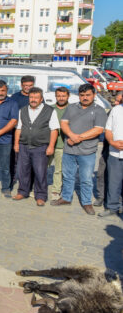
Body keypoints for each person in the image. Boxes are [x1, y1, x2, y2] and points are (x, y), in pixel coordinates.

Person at [53, 84, 107, 215]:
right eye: (82, 95)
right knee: (67, 176)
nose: (85, 97)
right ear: (79, 95)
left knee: (86, 179)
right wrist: (72, 136)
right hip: (69, 150)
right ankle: (66, 198)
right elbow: (63, 123)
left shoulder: (99, 110)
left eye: (88, 95)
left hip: (87, 152)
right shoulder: (71, 107)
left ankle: (86, 202)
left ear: (94, 95)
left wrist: (78, 138)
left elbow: (98, 130)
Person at [12, 87, 59, 206]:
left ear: (41, 98)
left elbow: (54, 130)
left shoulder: (49, 111)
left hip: (40, 146)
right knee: (23, 171)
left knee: (40, 172)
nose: (33, 99)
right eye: (31, 97)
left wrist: (51, 146)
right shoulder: (22, 110)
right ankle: (22, 191)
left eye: (36, 97)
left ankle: (41, 195)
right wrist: (16, 144)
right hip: (24, 145)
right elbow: (18, 128)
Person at [100, 96, 123, 217]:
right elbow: (108, 130)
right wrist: (112, 142)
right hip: (115, 153)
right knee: (113, 183)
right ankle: (112, 207)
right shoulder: (116, 110)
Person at [48, 87, 70, 197]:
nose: (61, 98)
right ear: (55, 96)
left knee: (58, 170)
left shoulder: (72, 109)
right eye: (59, 96)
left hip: (62, 145)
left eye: (63, 96)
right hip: (48, 144)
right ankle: (36, 187)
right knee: (41, 167)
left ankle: (56, 190)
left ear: (68, 96)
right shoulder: (49, 109)